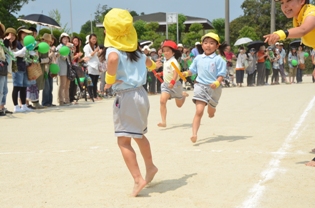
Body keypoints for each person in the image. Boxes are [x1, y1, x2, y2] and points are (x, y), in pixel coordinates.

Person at [103, 8, 161, 196]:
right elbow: (150, 63)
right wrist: (154, 65)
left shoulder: (113, 50)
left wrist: (109, 80)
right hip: (141, 94)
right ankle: (150, 166)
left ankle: (138, 178)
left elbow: (112, 59)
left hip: (126, 96)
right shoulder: (137, 53)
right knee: (139, 135)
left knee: (123, 141)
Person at [181, 32, 226, 143]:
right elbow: (192, 71)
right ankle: (194, 134)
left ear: (217, 46)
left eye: (211, 43)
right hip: (200, 86)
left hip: (214, 88)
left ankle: (212, 110)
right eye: (205, 43)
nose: (208, 45)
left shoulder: (219, 59)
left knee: (210, 111)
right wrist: (186, 74)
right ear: (202, 45)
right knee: (199, 111)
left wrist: (217, 83)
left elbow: (221, 75)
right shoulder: (197, 58)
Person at [156, 40, 189, 127]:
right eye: (164, 51)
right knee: (162, 101)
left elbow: (176, 73)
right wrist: (161, 74)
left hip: (175, 85)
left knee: (179, 105)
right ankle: (163, 122)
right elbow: (168, 71)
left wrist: (173, 82)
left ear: (173, 52)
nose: (165, 53)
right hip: (166, 85)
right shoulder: (166, 60)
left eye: (168, 51)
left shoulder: (173, 61)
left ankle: (183, 95)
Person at [12, 26, 33, 113]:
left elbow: (30, 54)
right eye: (23, 33)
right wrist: (26, 50)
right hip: (17, 67)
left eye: (26, 33)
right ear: (19, 33)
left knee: (24, 87)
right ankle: (16, 106)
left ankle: (24, 105)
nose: (25, 35)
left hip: (24, 67)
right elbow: (16, 54)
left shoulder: (26, 44)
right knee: (17, 87)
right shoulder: (16, 43)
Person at [56, 33, 72, 106]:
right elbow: (63, 57)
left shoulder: (67, 47)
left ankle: (67, 100)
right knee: (62, 84)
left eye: (67, 38)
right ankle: (61, 100)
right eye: (64, 38)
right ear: (61, 39)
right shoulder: (59, 47)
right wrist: (67, 49)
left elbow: (71, 57)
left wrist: (71, 50)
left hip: (68, 67)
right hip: (62, 68)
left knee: (67, 85)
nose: (66, 40)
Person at [83, 34, 101, 101]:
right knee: (90, 82)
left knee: (95, 82)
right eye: (93, 39)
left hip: (96, 66)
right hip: (90, 66)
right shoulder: (86, 47)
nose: (94, 40)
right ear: (90, 39)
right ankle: (91, 96)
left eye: (95, 39)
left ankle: (95, 95)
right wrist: (95, 51)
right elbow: (88, 56)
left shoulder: (95, 46)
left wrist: (98, 52)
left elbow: (96, 56)